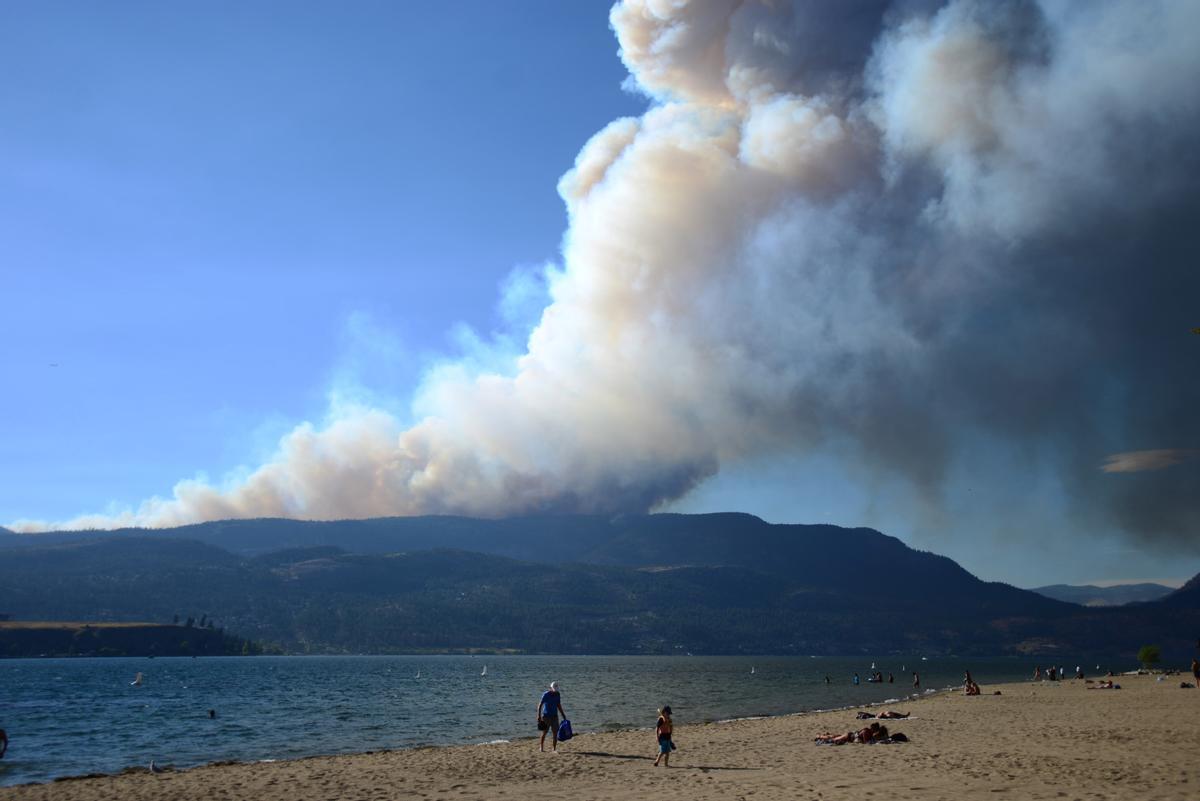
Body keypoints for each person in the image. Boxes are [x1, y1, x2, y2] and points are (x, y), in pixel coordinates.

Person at [537, 681, 566, 752]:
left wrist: (563, 715)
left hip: (554, 716)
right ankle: (541, 747)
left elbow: (558, 705)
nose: (555, 691)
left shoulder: (558, 694)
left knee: (555, 733)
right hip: (546, 716)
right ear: (550, 688)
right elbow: (540, 705)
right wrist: (539, 716)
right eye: (554, 689)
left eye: (556, 689)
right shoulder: (545, 695)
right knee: (544, 732)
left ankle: (554, 749)